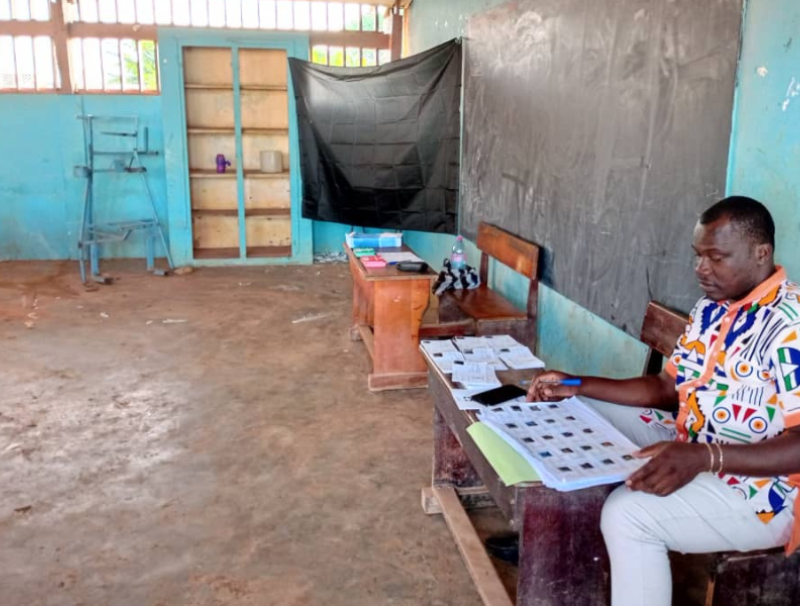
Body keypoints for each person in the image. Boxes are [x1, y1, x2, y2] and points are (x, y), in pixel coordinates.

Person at [526, 196, 800, 606]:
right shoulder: (712, 308)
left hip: (765, 494)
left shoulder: (789, 324)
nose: (701, 269)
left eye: (716, 257)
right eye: (698, 256)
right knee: (575, 410)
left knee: (627, 515)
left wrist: (704, 457)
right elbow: (666, 388)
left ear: (761, 253)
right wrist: (579, 383)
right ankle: (554, 544)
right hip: (691, 441)